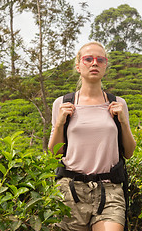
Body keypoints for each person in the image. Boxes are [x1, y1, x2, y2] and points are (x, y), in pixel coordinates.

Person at [48, 41, 136, 231]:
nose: (94, 63)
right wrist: (60, 122)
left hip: (109, 190)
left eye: (100, 59)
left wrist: (123, 122)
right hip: (70, 190)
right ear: (78, 66)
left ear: (106, 66)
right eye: (88, 59)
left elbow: (128, 152)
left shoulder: (118, 104)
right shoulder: (62, 103)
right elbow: (55, 153)